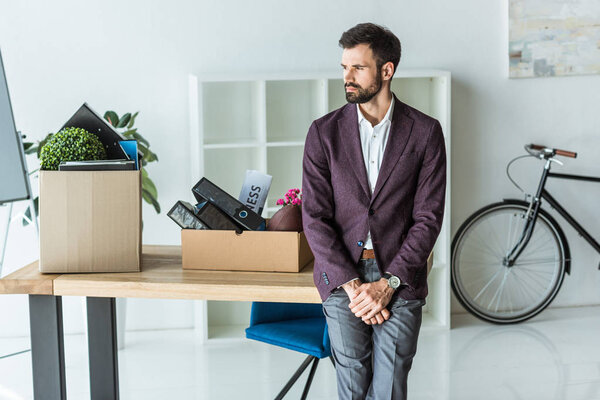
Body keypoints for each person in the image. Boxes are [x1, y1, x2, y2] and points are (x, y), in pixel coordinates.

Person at [301, 22, 446, 399]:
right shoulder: (323, 133)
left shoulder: (425, 132)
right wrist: (354, 287)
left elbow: (428, 218)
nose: (347, 77)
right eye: (344, 67)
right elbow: (314, 218)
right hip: (341, 277)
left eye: (358, 68)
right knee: (352, 381)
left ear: (387, 70)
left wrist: (388, 284)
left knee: (391, 385)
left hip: (401, 274)